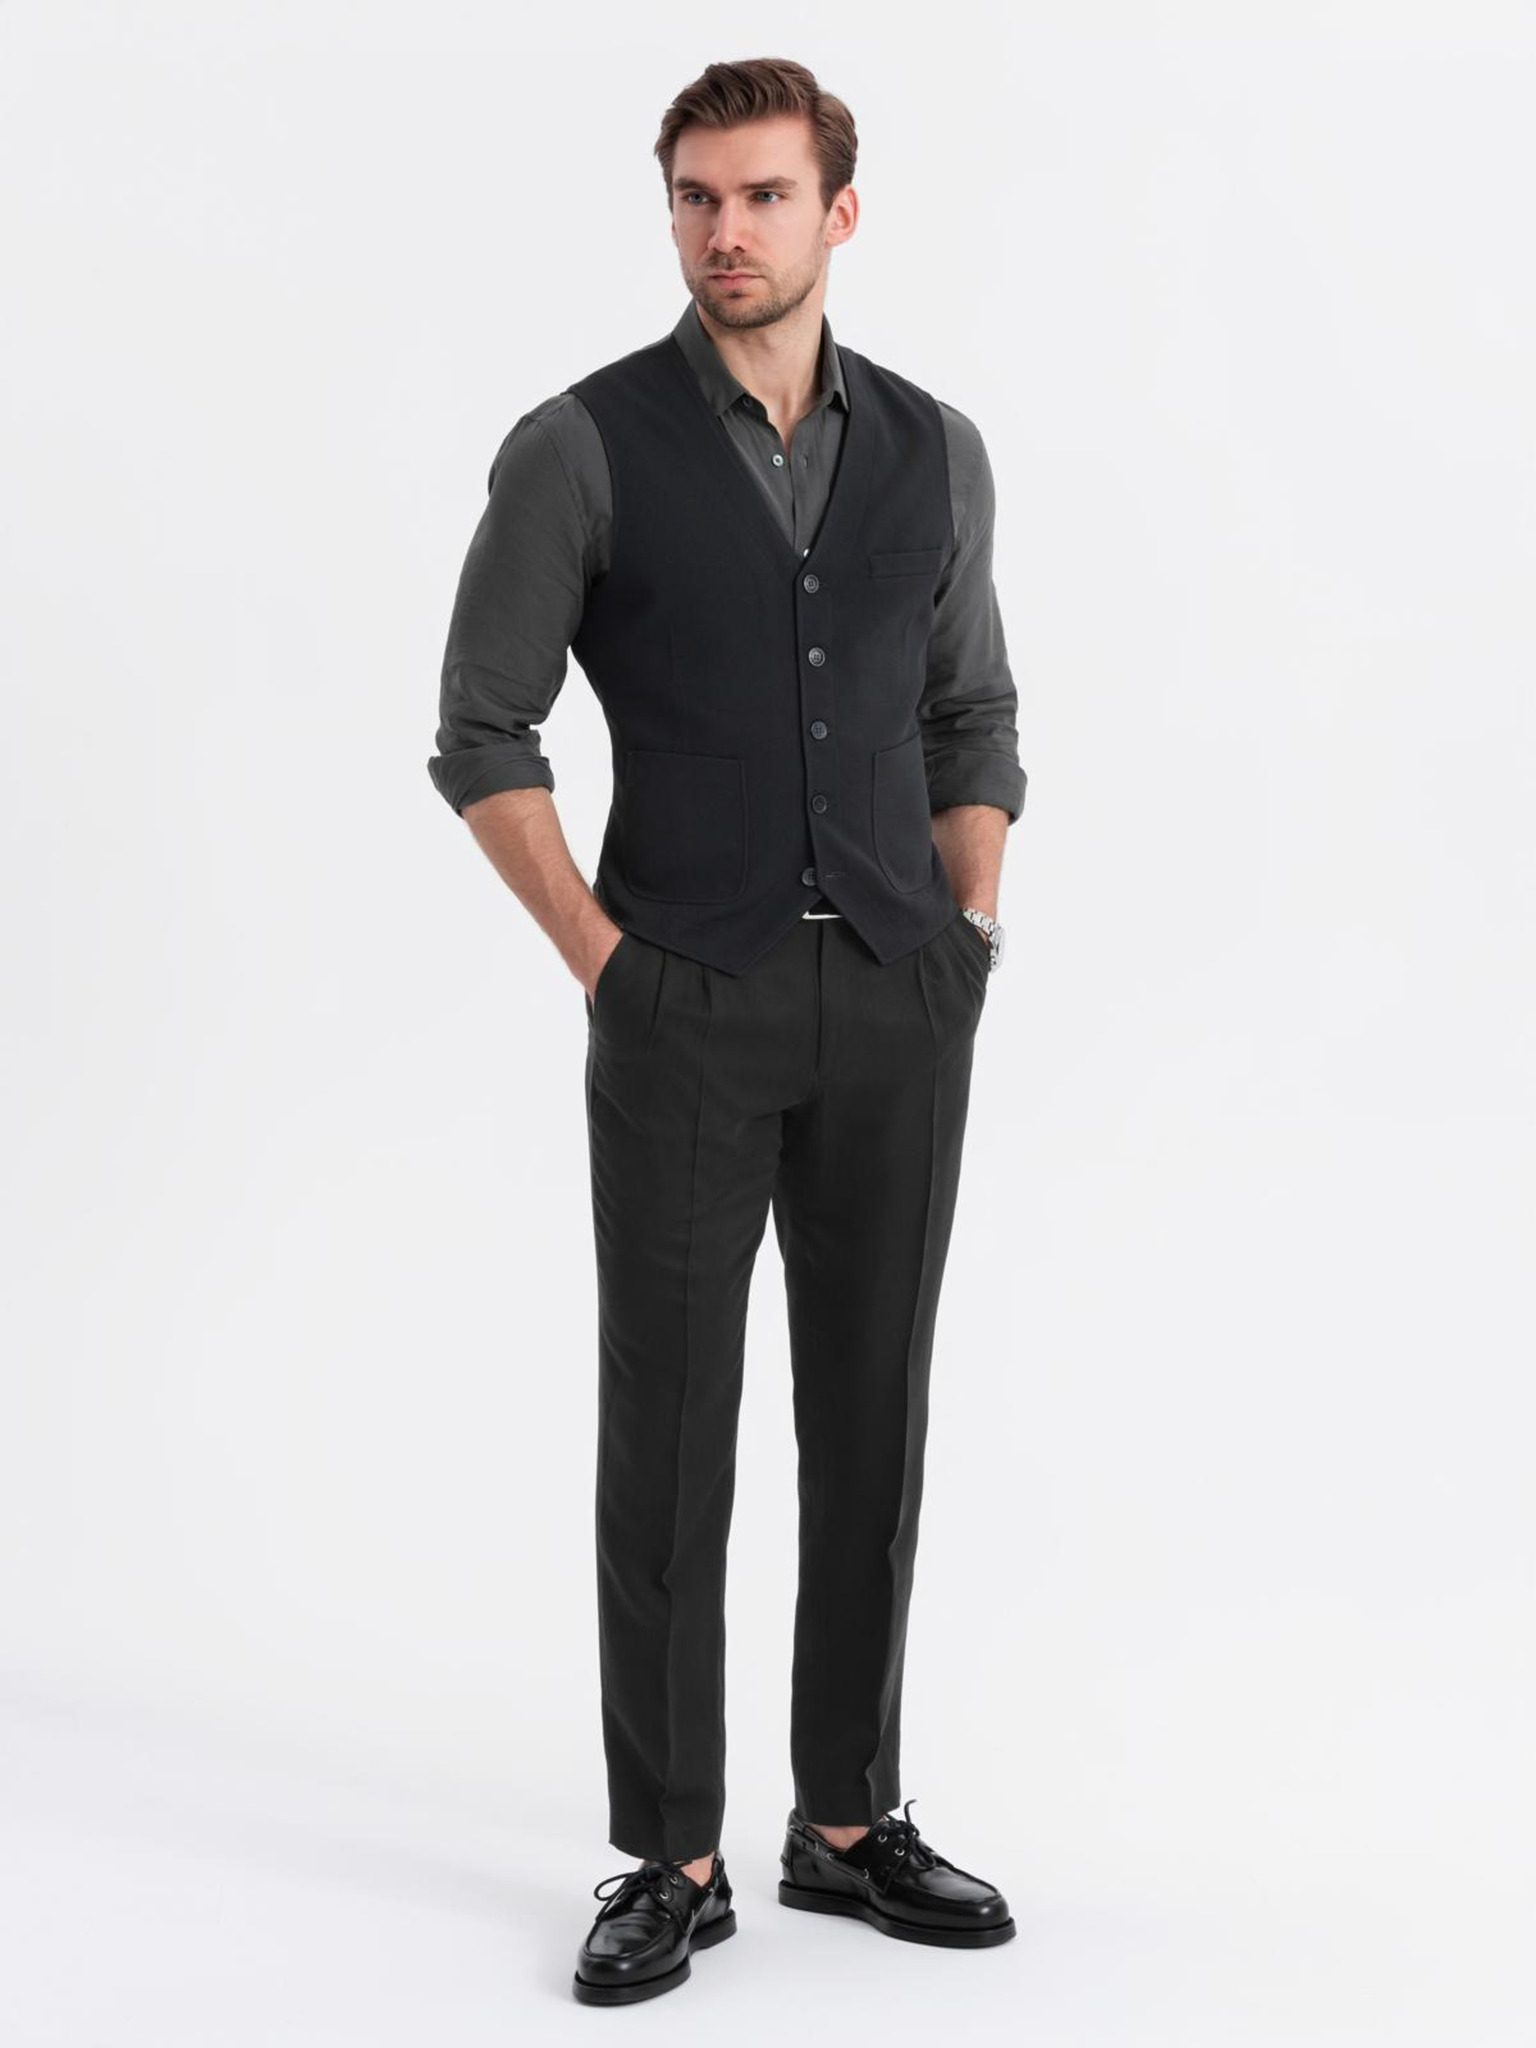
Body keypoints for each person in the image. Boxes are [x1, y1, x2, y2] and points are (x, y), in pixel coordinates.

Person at [427, 56, 1026, 2007]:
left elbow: (971, 712)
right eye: (696, 196)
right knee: (670, 1432)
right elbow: (482, 730)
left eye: (764, 195)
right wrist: (607, 961)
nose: (726, 231)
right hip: (683, 999)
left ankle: (846, 1819)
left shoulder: (936, 448)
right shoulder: (581, 447)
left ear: (838, 212)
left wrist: (968, 931)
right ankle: (670, 1852)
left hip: (900, 1001)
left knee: (873, 1416)